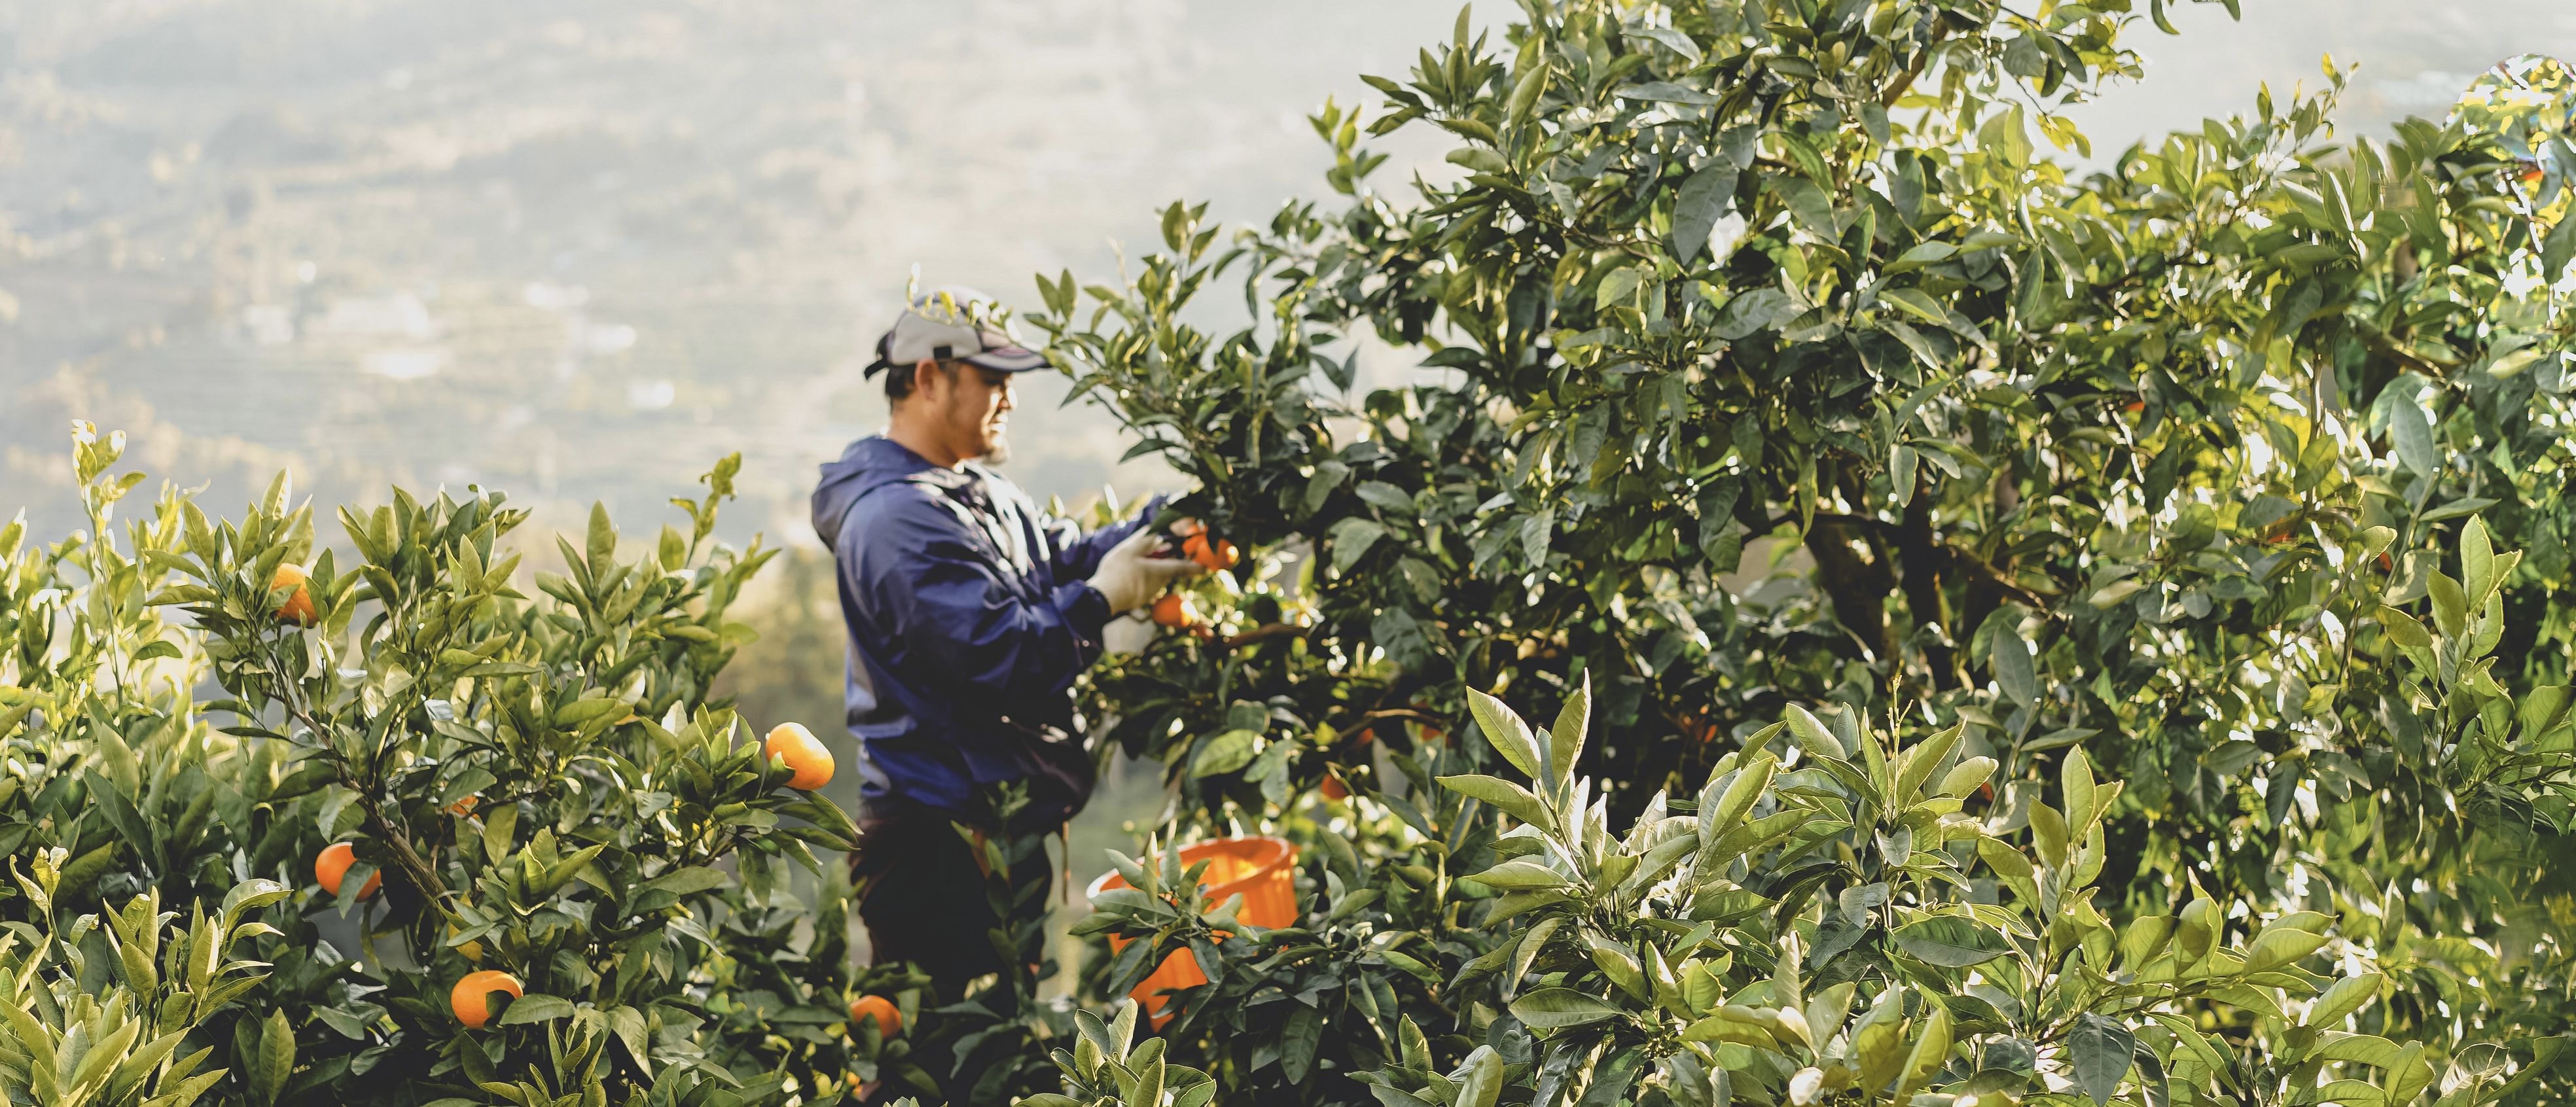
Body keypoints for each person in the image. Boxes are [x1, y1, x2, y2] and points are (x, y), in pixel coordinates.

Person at [811, 288, 1199, 1000]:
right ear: (929, 378)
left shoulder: (975, 492)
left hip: (996, 826)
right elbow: (1001, 656)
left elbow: (1065, 562)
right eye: (993, 378)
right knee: (938, 1060)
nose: (1010, 397)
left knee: (998, 1046)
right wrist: (1108, 598)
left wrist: (1169, 525)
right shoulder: (897, 520)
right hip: (937, 843)